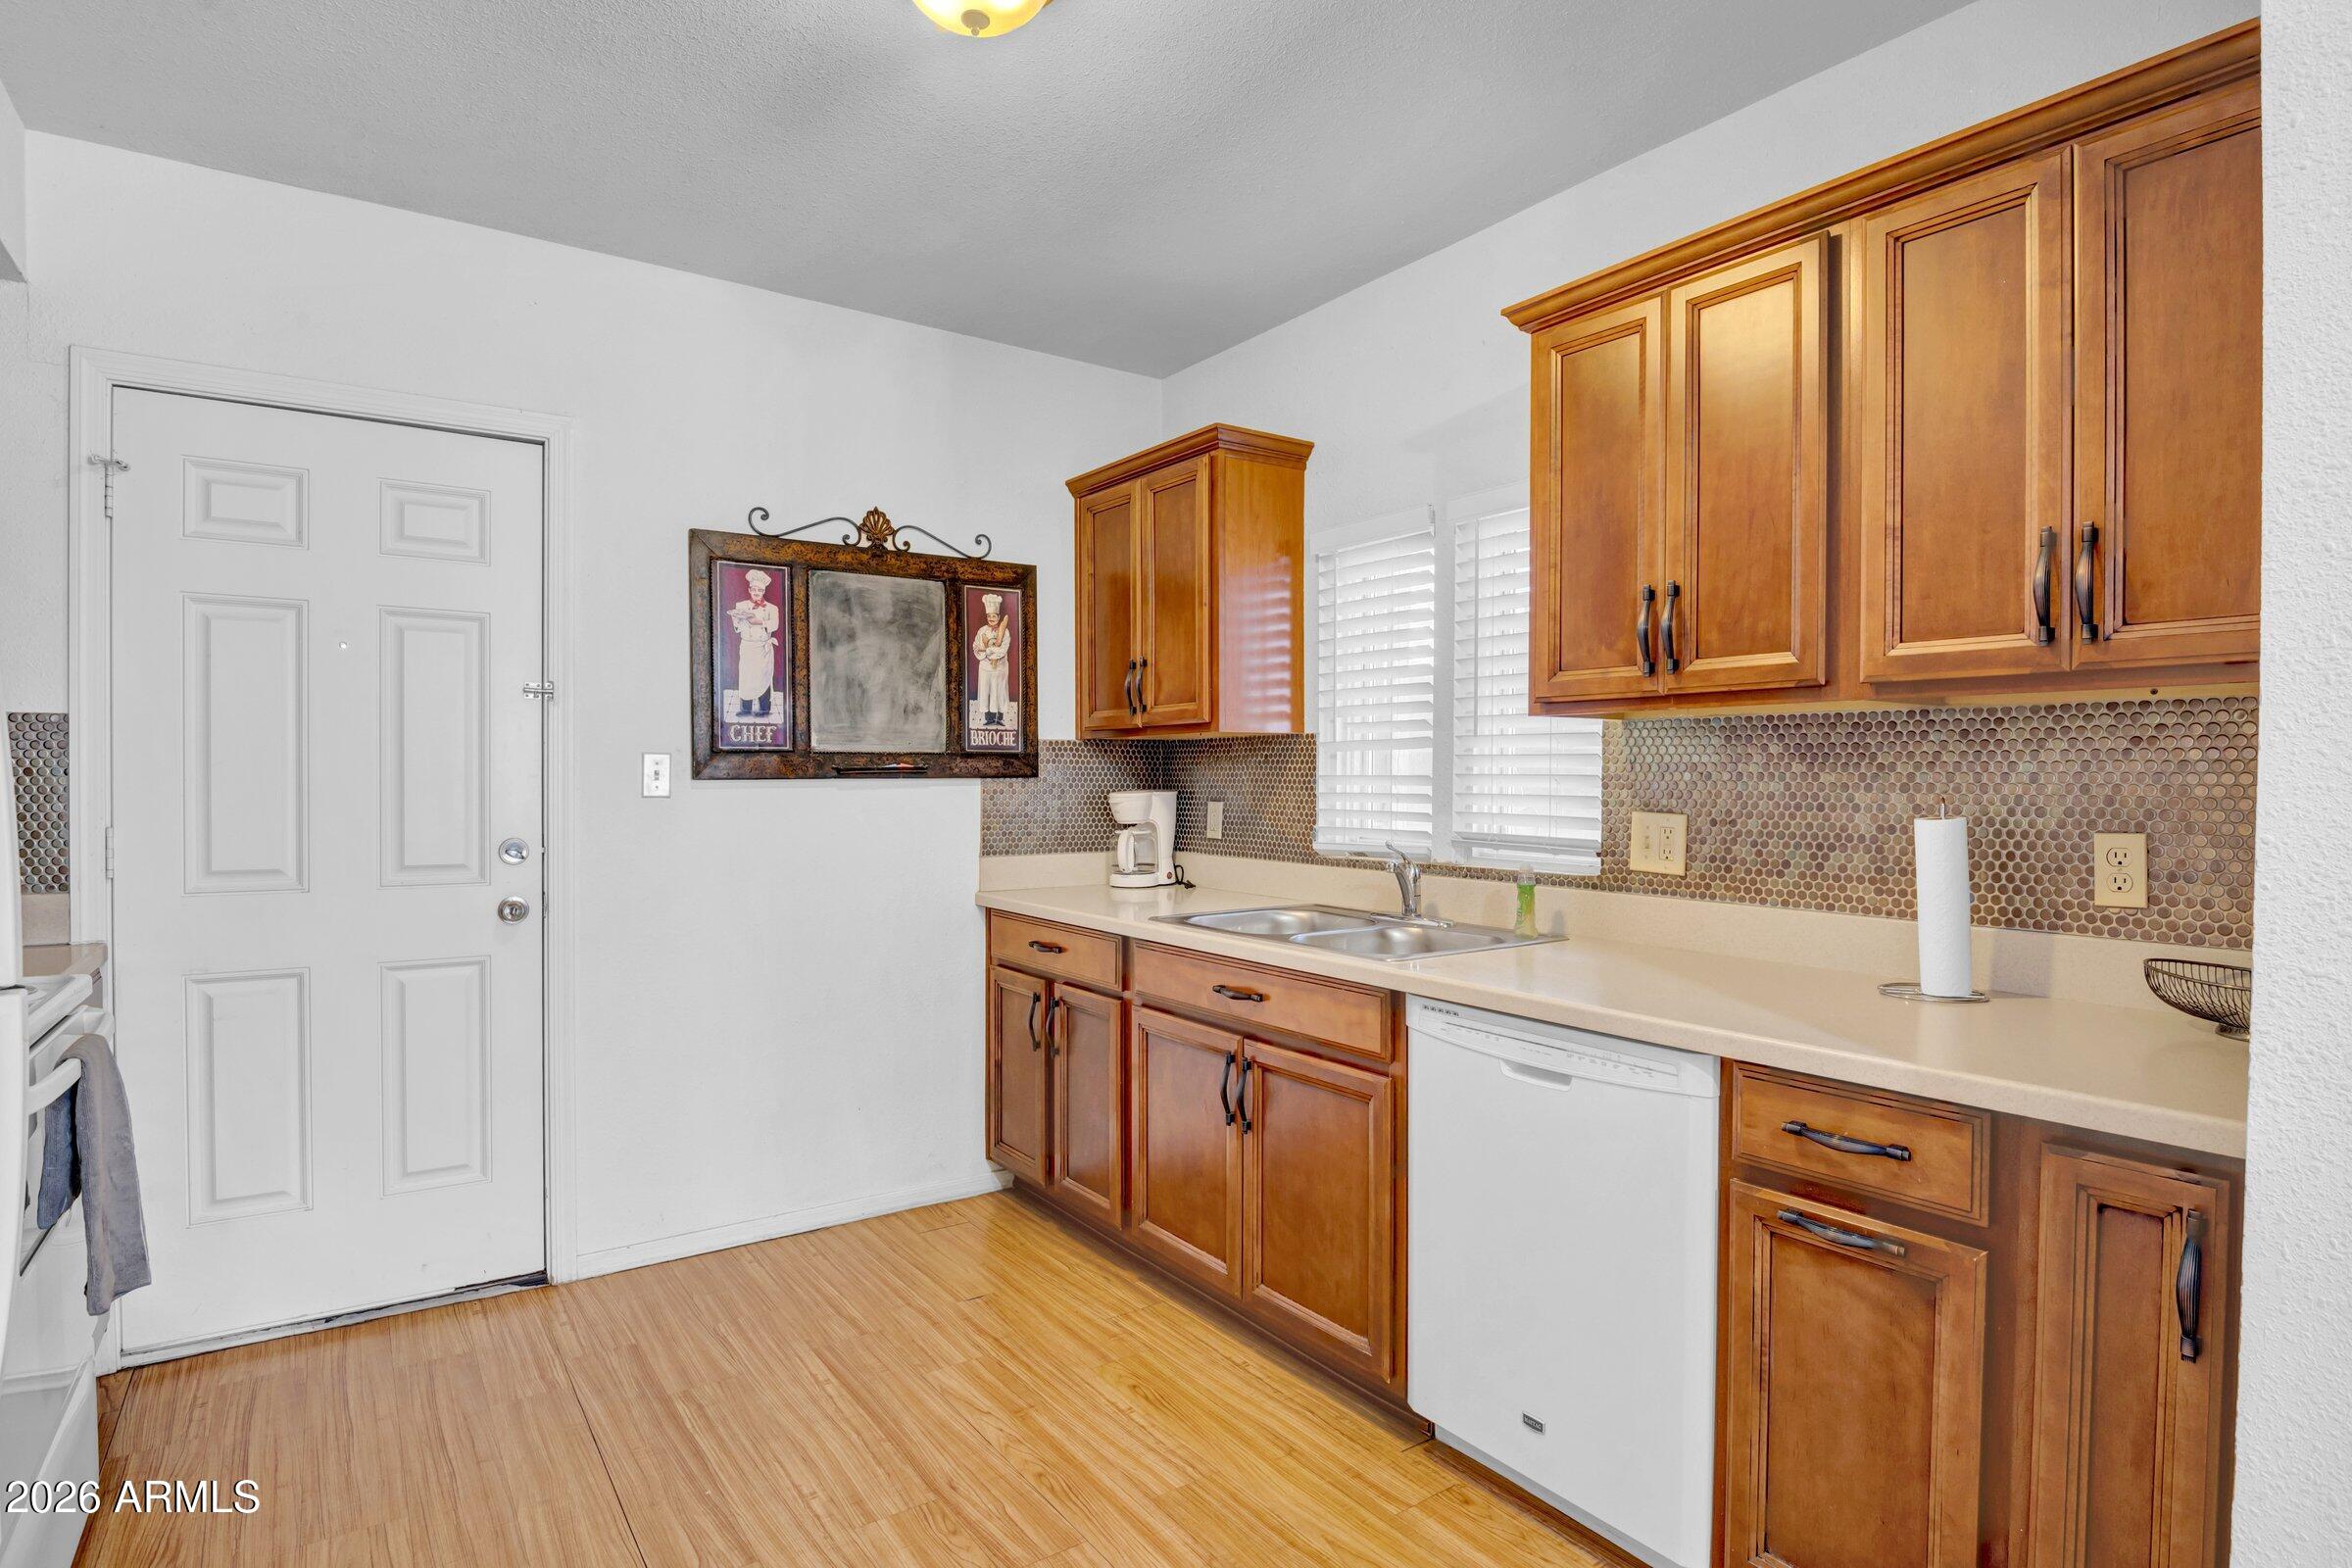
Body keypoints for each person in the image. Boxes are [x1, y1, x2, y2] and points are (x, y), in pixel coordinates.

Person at [728, 569, 780, 719]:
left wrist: (760, 622)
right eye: (754, 589)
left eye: (760, 590)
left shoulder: (772, 608)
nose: (757, 592)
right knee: (746, 677)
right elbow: (737, 628)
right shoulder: (740, 605)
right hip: (747, 646)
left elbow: (775, 624)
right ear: (749, 590)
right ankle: (745, 709)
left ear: (764, 590)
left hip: (763, 647)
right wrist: (737, 619)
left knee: (763, 677)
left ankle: (764, 709)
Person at [972, 592, 1013, 728]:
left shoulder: (1005, 632)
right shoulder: (982, 631)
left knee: (999, 691)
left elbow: (1003, 650)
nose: (991, 618)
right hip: (985, 668)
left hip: (1000, 668)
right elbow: (976, 647)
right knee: (986, 691)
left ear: (999, 617)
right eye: (989, 616)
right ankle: (988, 718)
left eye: (994, 616)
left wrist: (988, 650)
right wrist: (985, 651)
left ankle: (999, 718)